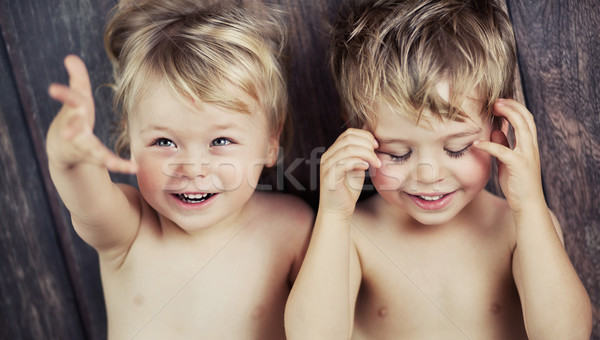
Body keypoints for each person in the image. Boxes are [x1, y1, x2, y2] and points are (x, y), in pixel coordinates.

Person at [285, 0, 592, 339]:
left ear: (499, 126)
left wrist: (530, 204)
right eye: (397, 153)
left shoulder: (519, 226)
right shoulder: (354, 234)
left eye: (456, 148)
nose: (428, 174)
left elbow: (566, 334)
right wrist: (333, 216)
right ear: (356, 135)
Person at [46, 1, 313, 339]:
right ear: (130, 136)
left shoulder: (291, 228)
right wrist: (69, 156)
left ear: (270, 141)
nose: (193, 168)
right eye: (165, 143)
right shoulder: (130, 227)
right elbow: (87, 201)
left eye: (220, 140)